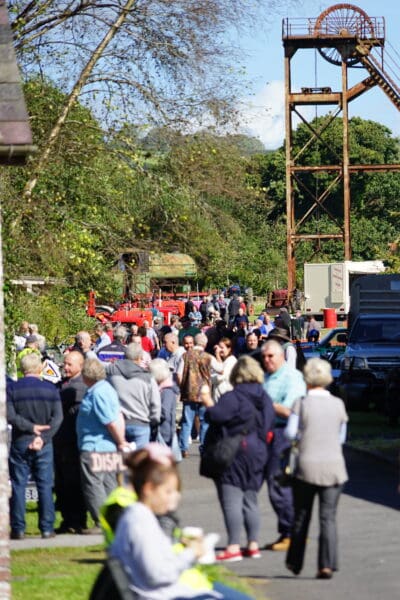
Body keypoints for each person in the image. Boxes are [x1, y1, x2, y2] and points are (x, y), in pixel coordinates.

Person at [109, 444, 253, 599]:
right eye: (168, 492)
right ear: (149, 489)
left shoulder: (140, 516)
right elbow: (157, 575)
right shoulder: (141, 522)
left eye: (176, 491)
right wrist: (192, 553)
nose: (175, 497)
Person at [201, 356, 275, 562]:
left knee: (231, 498)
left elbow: (215, 416)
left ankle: (233, 546)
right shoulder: (265, 398)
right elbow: (269, 423)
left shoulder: (233, 397)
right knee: (251, 499)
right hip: (259, 450)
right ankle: (253, 544)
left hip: (235, 451)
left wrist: (207, 401)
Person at [285, 358, 348, 579]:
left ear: (307, 379)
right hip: (334, 466)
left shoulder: (301, 403)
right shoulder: (338, 404)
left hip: (307, 465)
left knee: (302, 514)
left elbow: (290, 433)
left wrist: (302, 437)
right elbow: (341, 438)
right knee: (328, 517)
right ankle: (327, 564)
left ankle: (295, 561)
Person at [7, 353, 63, 539]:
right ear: (40, 368)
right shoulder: (50, 389)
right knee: (45, 485)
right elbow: (58, 418)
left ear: (22, 369)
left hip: (21, 440)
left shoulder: (12, 389)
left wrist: (30, 428)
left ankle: (18, 528)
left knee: (18, 485)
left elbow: (10, 415)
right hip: (44, 443)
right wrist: (42, 437)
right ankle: (47, 528)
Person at [261, 339, 306, 552]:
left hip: (284, 433)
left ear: (281, 356)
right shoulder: (267, 377)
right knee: (272, 483)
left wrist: (265, 404)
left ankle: (292, 533)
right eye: (264, 356)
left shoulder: (292, 377)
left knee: (278, 482)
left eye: (271, 356)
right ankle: (287, 531)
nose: (267, 360)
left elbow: (291, 411)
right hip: (266, 432)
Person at [76, 358, 130, 531]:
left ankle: (102, 521)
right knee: (109, 484)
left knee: (94, 485)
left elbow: (110, 421)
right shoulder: (106, 388)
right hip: (107, 446)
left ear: (86, 375)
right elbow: (118, 416)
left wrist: (121, 441)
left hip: (95, 446)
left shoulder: (98, 393)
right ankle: (115, 521)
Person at [53, 351, 88, 534]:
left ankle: (77, 520)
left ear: (80, 366)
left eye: (69, 364)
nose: (65, 367)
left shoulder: (79, 387)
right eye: (64, 363)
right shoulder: (61, 384)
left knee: (73, 483)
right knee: (62, 484)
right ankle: (67, 520)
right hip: (60, 441)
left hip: (72, 441)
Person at [106, 343, 161, 448]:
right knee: (140, 457)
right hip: (141, 424)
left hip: (116, 423)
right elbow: (155, 404)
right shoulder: (148, 378)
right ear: (140, 358)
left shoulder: (111, 373)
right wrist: (154, 422)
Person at [177, 334, 216, 457]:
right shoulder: (208, 357)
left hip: (189, 392)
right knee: (204, 421)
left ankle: (183, 448)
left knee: (187, 421)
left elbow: (179, 374)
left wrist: (182, 387)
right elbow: (218, 370)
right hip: (204, 392)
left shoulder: (185, 356)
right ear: (205, 344)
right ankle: (204, 447)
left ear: (194, 342)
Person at [149, 358, 180, 450]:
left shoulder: (166, 391)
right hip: (164, 430)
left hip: (163, 431)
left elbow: (164, 412)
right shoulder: (163, 389)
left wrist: (151, 418)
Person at [212, 337, 237, 402]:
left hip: (227, 398)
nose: (219, 350)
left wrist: (217, 355)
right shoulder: (222, 361)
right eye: (218, 347)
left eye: (222, 348)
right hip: (218, 398)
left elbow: (220, 377)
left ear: (229, 349)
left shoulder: (231, 361)